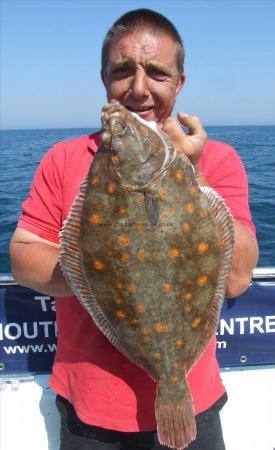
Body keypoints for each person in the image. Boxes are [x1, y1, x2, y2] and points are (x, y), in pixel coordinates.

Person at [10, 8, 258, 450]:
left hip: (194, 398)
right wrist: (109, 276)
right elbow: (24, 258)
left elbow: (237, 278)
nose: (138, 89)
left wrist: (192, 172)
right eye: (123, 71)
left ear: (179, 82)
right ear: (104, 78)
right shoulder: (64, 158)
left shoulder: (216, 160)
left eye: (157, 73)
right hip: (89, 405)